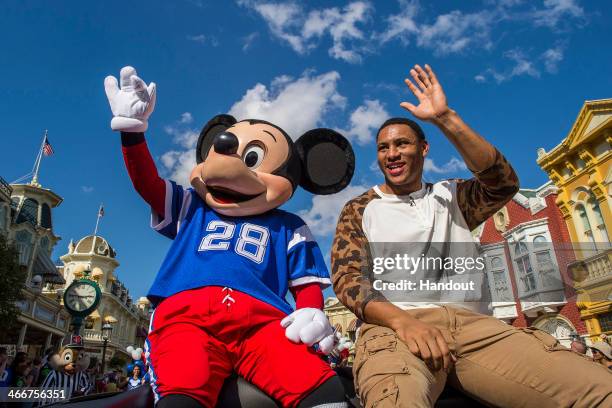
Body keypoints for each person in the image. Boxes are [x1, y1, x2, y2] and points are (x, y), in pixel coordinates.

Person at [331, 63, 612, 407]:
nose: (391, 154)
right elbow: (348, 280)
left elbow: (503, 181)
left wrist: (445, 117)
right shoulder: (361, 207)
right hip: (396, 329)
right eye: (383, 148)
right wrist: (403, 322)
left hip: (475, 330)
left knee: (599, 390)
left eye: (402, 144)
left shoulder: (454, 196)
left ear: (423, 148)